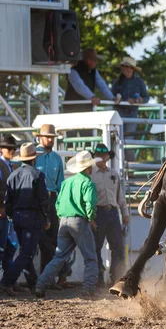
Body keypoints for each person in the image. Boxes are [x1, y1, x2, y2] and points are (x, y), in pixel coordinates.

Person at [35, 151, 100, 298]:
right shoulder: (88, 183)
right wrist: (91, 218)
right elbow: (90, 204)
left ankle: (41, 284)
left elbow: (58, 203)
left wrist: (61, 217)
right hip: (79, 221)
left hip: (63, 221)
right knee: (90, 257)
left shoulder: (66, 182)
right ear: (88, 167)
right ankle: (88, 288)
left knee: (59, 256)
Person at [0, 143, 49, 296]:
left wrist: (11, 215)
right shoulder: (38, 175)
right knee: (27, 252)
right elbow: (43, 200)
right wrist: (46, 217)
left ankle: (32, 282)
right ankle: (7, 281)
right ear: (33, 159)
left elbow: (8, 200)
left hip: (17, 217)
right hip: (32, 217)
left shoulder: (13, 174)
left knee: (25, 251)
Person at [90, 144, 129, 287]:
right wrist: (91, 217)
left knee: (118, 247)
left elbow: (120, 196)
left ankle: (116, 278)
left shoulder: (114, 174)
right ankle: (98, 278)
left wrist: (124, 213)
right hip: (97, 212)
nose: (101, 158)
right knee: (96, 246)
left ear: (107, 157)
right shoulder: (91, 174)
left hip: (112, 212)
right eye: (98, 155)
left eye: (103, 155)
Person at [34, 124, 68, 285]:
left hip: (53, 199)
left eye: (51, 137)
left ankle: (47, 277)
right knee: (42, 240)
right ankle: (50, 276)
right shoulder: (34, 155)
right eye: (47, 137)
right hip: (37, 200)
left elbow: (60, 184)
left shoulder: (56, 158)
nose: (49, 140)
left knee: (54, 239)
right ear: (40, 137)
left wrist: (60, 206)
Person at [112, 56, 149, 162]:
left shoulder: (139, 82)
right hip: (119, 114)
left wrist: (140, 100)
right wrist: (116, 98)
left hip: (131, 114)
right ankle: (119, 167)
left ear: (133, 69)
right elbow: (110, 96)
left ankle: (130, 167)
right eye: (125, 67)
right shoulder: (117, 82)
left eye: (129, 67)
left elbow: (146, 98)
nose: (127, 69)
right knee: (117, 140)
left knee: (129, 141)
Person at [64, 48, 117, 113]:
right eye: (95, 60)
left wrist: (112, 98)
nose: (96, 62)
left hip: (86, 108)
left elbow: (101, 85)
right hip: (72, 109)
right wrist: (92, 97)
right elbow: (80, 86)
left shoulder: (93, 72)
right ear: (88, 60)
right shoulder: (73, 71)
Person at [0, 135, 18, 286]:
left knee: (9, 248)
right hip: (3, 212)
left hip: (8, 213)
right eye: (9, 148)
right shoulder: (3, 166)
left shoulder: (10, 166)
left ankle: (6, 282)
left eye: (14, 148)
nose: (12, 150)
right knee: (3, 248)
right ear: (1, 150)